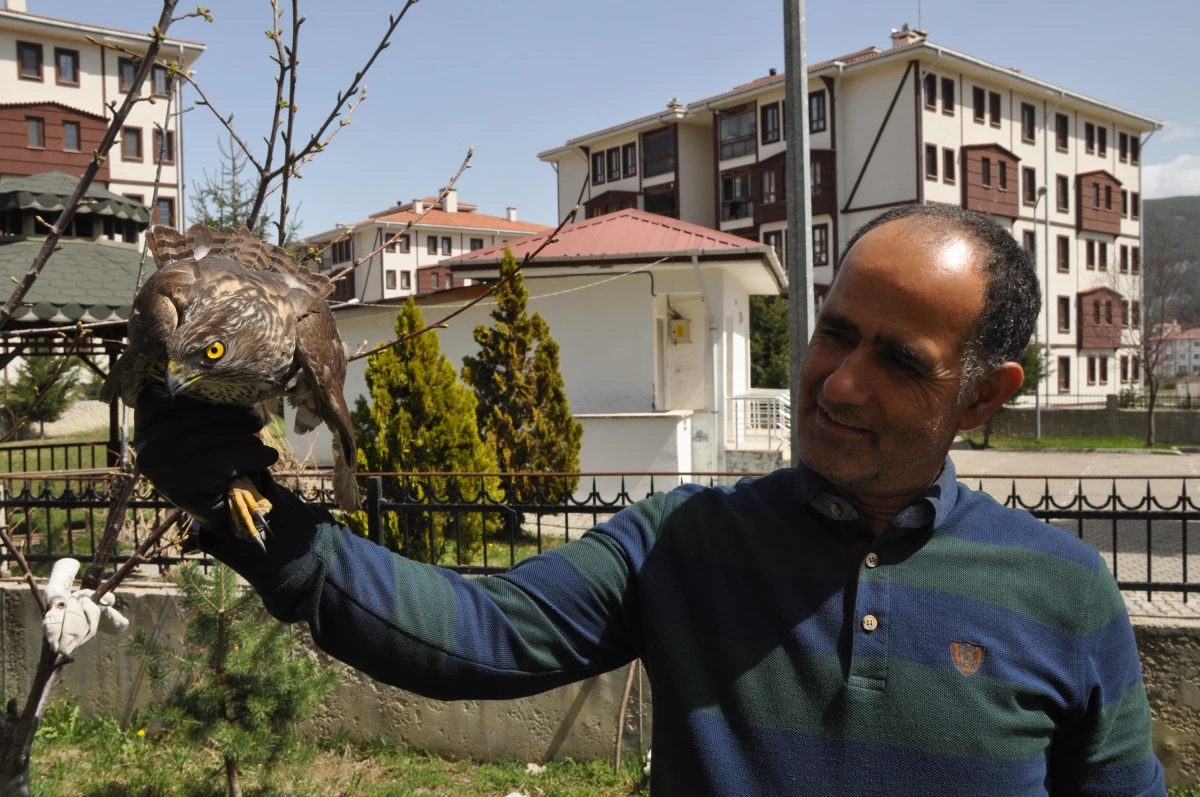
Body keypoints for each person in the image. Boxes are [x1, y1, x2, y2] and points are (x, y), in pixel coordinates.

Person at [134, 204, 1164, 796]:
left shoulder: (1065, 595)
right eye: (835, 332)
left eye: (899, 360)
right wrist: (249, 514)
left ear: (985, 394)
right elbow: (469, 633)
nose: (840, 380)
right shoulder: (690, 540)